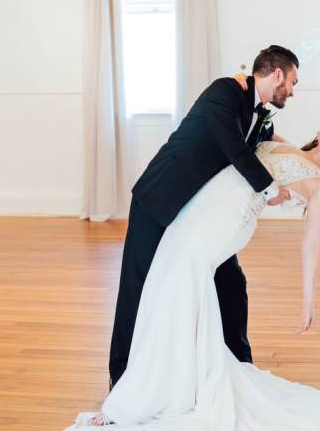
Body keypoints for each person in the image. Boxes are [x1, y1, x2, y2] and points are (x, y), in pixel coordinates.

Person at [63, 85, 320, 428]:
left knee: (179, 288)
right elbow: (251, 154)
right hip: (200, 210)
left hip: (224, 223)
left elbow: (312, 244)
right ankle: (166, 384)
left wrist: (308, 302)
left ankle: (146, 395)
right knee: (167, 288)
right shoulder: (287, 145)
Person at [107, 46, 299, 395]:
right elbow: (234, 148)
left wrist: (307, 156)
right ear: (277, 74)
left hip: (197, 215)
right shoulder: (223, 92)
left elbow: (265, 140)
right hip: (160, 199)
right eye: (292, 82)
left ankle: (240, 366)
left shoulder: (259, 112)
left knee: (231, 284)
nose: (292, 91)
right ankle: (120, 375)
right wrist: (270, 190)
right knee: (137, 286)